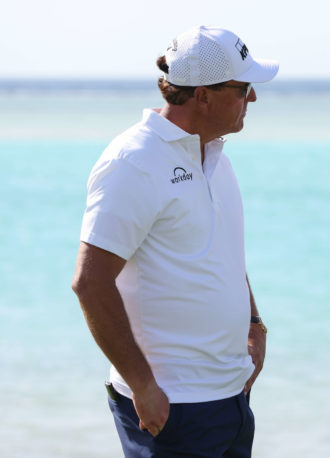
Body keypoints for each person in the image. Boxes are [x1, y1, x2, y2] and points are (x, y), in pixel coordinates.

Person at [71, 25, 277, 457]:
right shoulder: (133, 159)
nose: (253, 99)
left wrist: (254, 324)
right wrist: (144, 386)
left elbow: (223, 254)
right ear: (202, 95)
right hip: (168, 410)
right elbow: (90, 282)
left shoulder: (215, 155)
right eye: (243, 88)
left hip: (231, 397)